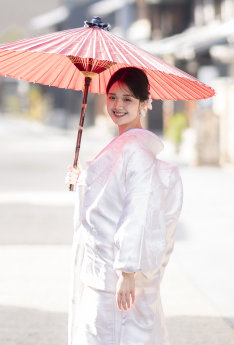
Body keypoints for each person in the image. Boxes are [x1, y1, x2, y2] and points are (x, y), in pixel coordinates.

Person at [65, 67, 183, 345]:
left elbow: (137, 211)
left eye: (128, 99)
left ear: (145, 103)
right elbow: (111, 199)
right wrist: (82, 179)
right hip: (102, 273)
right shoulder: (124, 146)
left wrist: (128, 270)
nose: (117, 105)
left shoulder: (137, 151)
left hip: (117, 278)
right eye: (112, 96)